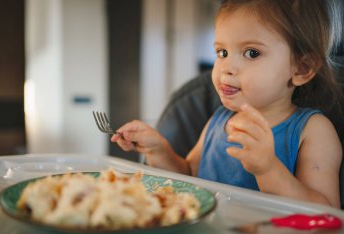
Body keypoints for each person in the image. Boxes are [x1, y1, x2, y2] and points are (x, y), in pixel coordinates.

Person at [111, 0, 343, 208]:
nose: (226, 67)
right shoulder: (219, 120)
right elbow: (189, 175)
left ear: (302, 68)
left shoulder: (313, 130)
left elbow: (327, 212)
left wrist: (269, 170)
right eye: (222, 52)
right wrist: (157, 149)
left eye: (251, 53)